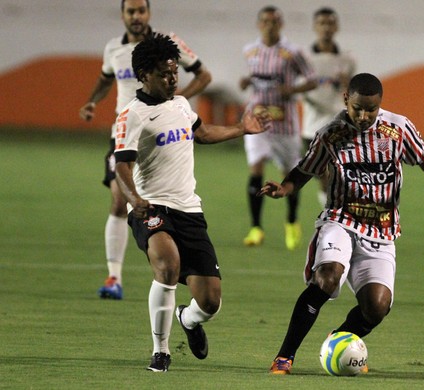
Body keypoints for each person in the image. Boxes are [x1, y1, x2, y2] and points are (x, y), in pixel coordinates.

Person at [260, 73, 424, 374]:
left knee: (377, 307)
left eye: (371, 109)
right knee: (327, 277)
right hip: (341, 219)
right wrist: (283, 188)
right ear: (345, 99)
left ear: (380, 105)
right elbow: (304, 170)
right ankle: (285, 356)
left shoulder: (399, 128)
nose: (364, 116)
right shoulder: (331, 134)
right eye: (358, 108)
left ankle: (337, 343)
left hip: (381, 229)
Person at [113, 33, 271, 372]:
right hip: (151, 206)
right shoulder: (133, 115)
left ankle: (189, 318)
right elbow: (121, 164)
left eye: (175, 72)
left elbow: (201, 133)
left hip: (189, 209)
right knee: (167, 265)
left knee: (211, 301)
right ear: (143, 75)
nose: (173, 79)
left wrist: (241, 129)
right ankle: (161, 350)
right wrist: (134, 199)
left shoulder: (182, 105)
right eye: (164, 74)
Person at [79, 0, 211, 300]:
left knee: (153, 200)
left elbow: (205, 76)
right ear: (123, 15)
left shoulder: (168, 45)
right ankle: (114, 276)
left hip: (161, 135)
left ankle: (164, 252)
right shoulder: (113, 48)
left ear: (149, 14)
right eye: (130, 11)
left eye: (141, 10)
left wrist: (176, 102)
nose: (136, 16)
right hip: (124, 135)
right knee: (118, 201)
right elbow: (104, 80)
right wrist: (91, 101)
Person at [239, 5, 317, 250]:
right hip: (257, 120)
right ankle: (256, 227)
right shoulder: (250, 51)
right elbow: (257, 80)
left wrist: (292, 90)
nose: (270, 25)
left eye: (274, 21)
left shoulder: (292, 52)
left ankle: (292, 221)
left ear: (281, 24)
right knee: (256, 168)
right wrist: (246, 81)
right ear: (259, 24)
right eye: (265, 21)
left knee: (289, 173)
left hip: (285, 123)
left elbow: (313, 79)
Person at [301, 7, 356, 206]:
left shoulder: (347, 59)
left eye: (330, 23)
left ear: (336, 27)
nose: (326, 28)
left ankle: (332, 213)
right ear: (315, 27)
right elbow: (298, 90)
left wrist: (347, 83)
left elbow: (352, 93)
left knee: (337, 171)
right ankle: (330, 207)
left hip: (338, 123)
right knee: (322, 174)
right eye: (322, 23)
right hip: (312, 125)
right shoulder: (305, 59)